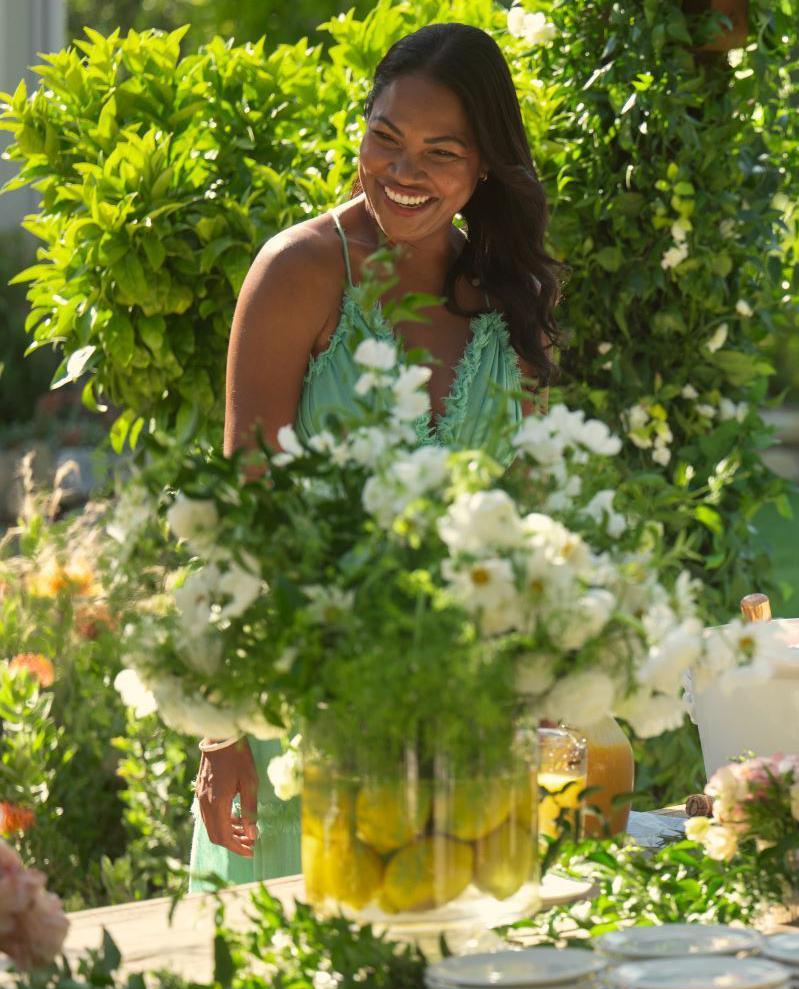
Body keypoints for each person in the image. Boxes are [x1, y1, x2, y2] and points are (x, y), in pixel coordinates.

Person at [193, 23, 561, 889]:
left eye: (442, 151)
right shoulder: (300, 272)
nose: (403, 171)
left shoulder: (511, 301)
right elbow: (240, 508)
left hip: (464, 729)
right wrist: (221, 726)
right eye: (386, 138)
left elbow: (534, 522)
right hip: (302, 716)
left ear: (484, 169)